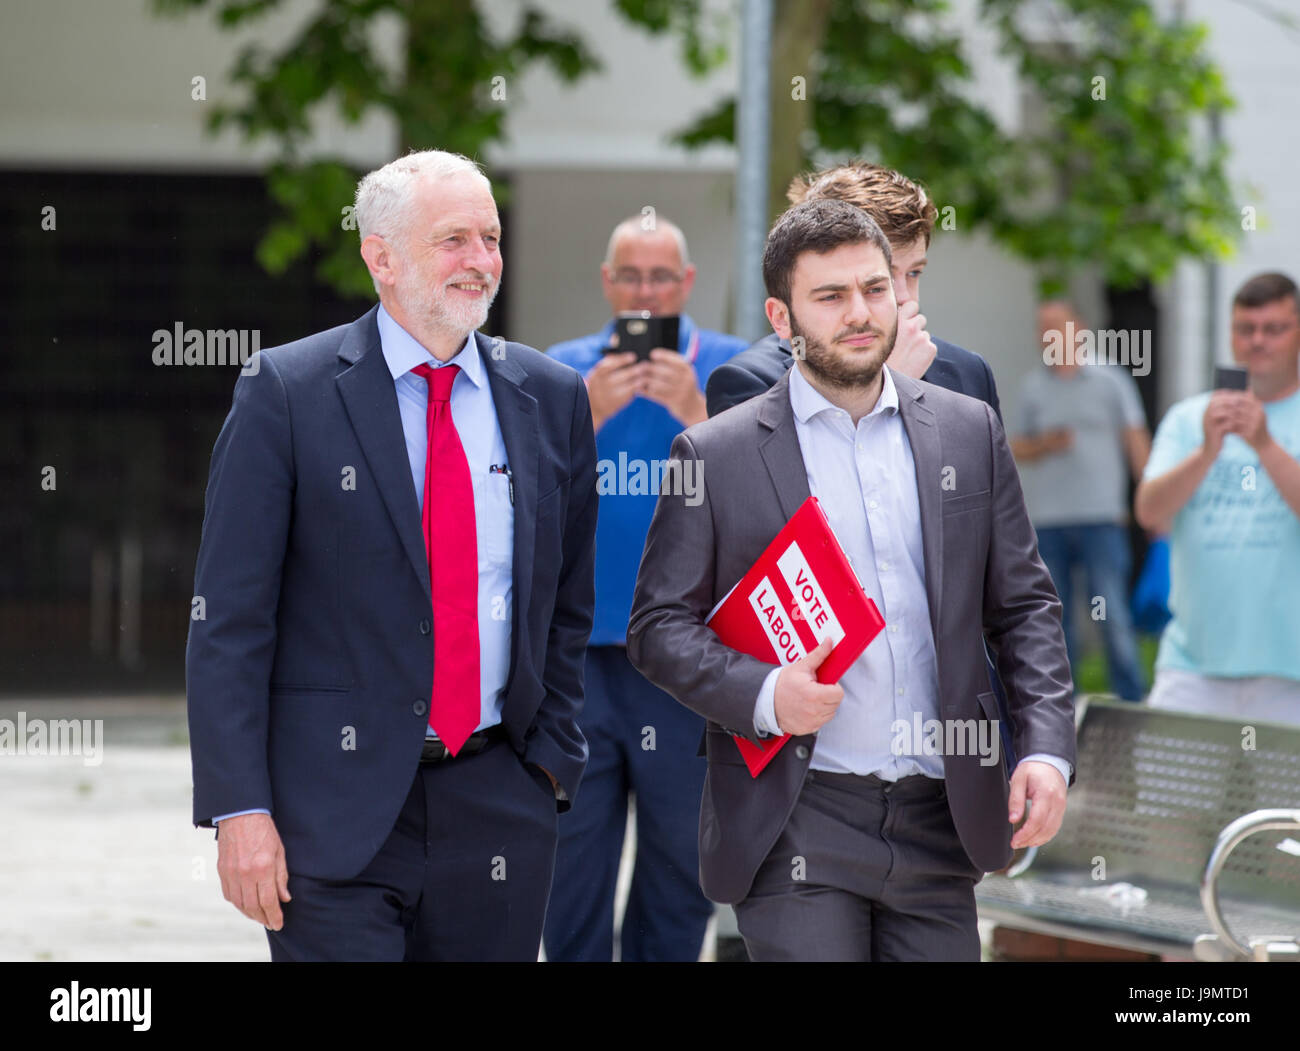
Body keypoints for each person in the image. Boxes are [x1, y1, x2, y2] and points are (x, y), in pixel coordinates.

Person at [627, 198, 1076, 962]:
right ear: (781, 316)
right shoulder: (716, 454)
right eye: (830, 297)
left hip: (942, 818)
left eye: (875, 288)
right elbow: (658, 627)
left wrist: (1044, 748)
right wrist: (767, 693)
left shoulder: (969, 430)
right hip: (799, 814)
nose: (861, 313)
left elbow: (1024, 605)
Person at [185, 150, 598, 961]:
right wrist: (239, 810)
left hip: (498, 805)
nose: (481, 261)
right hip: (329, 814)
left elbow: (566, 605)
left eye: (491, 237)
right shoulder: (286, 391)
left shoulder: (549, 396)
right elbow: (229, 621)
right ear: (381, 256)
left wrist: (547, 763)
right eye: (454, 240)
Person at [543, 215, 747, 961]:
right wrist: (585, 417)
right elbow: (517, 494)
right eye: (630, 275)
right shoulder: (560, 372)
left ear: (687, 284)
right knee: (569, 864)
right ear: (607, 281)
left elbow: (767, 497)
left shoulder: (728, 371)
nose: (646, 291)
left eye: (662, 277)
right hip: (576, 659)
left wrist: (697, 414)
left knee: (677, 867)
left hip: (684, 657)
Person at [705, 162, 1001, 420]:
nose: (904, 297)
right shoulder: (751, 382)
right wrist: (889, 386)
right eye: (879, 279)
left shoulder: (968, 373)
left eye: (914, 273)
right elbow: (788, 483)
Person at [1135, 271, 1300, 724]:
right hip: (1191, 667)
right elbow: (1150, 511)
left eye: (1274, 329)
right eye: (1245, 329)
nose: (1257, 341)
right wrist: (1208, 452)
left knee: (1283, 800)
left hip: (1290, 673)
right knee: (1170, 798)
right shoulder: (1191, 418)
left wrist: (1265, 445)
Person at [1010, 300, 1151, 701]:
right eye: (1042, 328)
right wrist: (1045, 444)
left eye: (1056, 326)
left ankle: (1131, 701)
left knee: (1111, 613)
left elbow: (1134, 438)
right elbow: (1015, 446)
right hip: (1048, 520)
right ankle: (1062, 705)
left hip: (1101, 518)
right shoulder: (1033, 386)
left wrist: (1152, 500)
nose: (1047, 335)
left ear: (1079, 329)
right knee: (1053, 618)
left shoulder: (1110, 379)